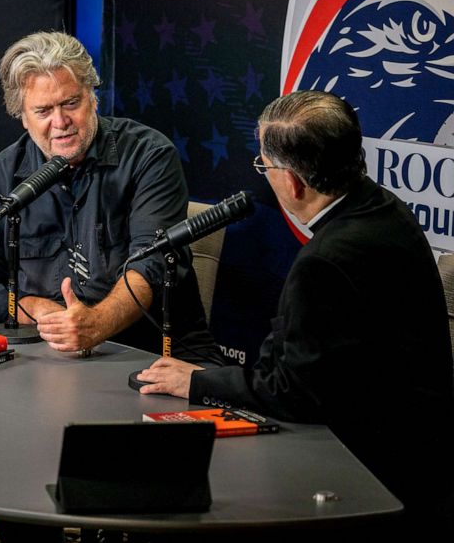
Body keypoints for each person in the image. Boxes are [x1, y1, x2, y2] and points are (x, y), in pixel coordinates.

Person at [137, 90, 454, 534]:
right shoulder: (384, 209)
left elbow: (293, 391)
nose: (263, 175)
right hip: (420, 450)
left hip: (371, 469)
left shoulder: (326, 260)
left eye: (263, 166)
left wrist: (196, 381)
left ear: (294, 182)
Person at [0, 31, 219, 362]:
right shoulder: (4, 175)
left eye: (71, 103)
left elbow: (151, 267)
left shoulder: (149, 155)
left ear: (93, 96)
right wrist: (33, 309)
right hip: (50, 357)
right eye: (43, 111)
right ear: (22, 117)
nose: (60, 122)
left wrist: (97, 323)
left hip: (148, 354)